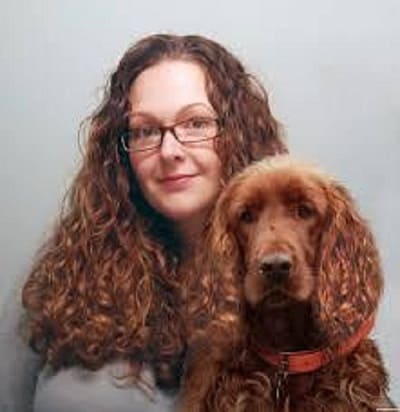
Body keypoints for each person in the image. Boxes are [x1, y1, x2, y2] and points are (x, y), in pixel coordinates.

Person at [0, 34, 285, 412]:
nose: (169, 151)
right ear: (121, 153)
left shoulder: (290, 275)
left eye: (196, 123)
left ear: (239, 133)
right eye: (146, 131)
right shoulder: (64, 274)